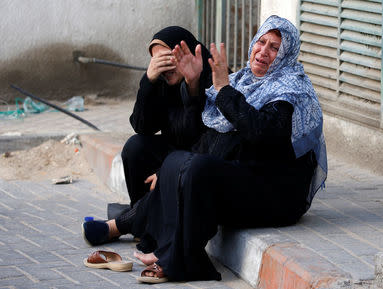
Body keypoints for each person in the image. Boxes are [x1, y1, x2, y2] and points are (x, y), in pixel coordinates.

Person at [82, 15, 327, 283]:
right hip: (248, 175)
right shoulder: (243, 80)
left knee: (195, 168)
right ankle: (151, 238)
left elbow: (259, 132)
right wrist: (150, 81)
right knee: (179, 163)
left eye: (275, 47)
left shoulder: (293, 91)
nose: (263, 52)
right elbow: (200, 132)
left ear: (286, 54)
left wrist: (215, 87)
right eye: (262, 42)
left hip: (276, 192)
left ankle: (171, 256)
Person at [120, 26, 212, 208]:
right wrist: (148, 81)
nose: (165, 66)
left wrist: (192, 86)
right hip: (175, 149)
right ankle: (139, 214)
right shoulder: (161, 82)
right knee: (135, 146)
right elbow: (142, 126)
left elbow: (208, 137)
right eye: (158, 60)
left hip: (202, 156)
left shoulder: (212, 75)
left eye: (169, 58)